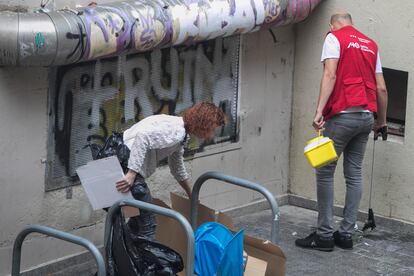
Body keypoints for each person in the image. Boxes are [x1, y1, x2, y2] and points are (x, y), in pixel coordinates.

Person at [295, 12, 388, 251]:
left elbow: (330, 74)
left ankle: (325, 235)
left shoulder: (334, 38)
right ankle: (346, 234)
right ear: (352, 23)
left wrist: (319, 110)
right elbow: (382, 88)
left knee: (325, 171)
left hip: (342, 117)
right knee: (354, 173)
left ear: (332, 24)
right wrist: (382, 121)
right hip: (366, 117)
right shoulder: (371, 45)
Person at [116, 102, 226, 239]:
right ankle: (141, 258)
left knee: (139, 219)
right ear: (203, 123)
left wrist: (190, 192)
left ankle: (126, 254)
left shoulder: (179, 130)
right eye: (211, 129)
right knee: (148, 223)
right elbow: (143, 137)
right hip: (128, 165)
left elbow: (176, 165)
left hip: (124, 160)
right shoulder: (177, 132)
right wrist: (131, 174)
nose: (210, 135)